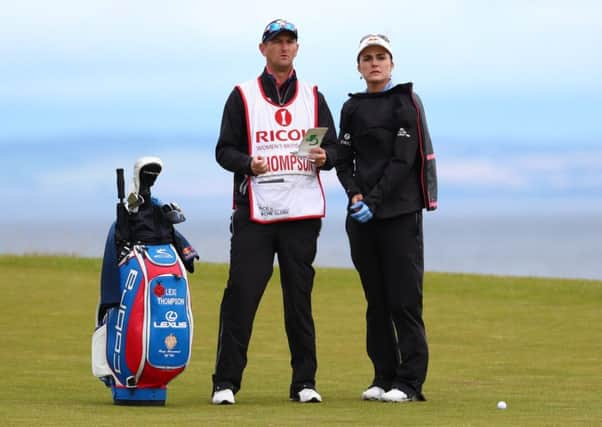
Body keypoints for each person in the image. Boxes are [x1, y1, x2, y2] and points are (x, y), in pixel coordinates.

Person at [211, 18, 338, 405]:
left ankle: (304, 383)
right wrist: (248, 164)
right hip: (256, 212)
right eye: (276, 42)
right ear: (262, 48)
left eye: (290, 42)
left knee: (298, 300)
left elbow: (336, 150)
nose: (284, 48)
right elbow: (223, 151)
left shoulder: (313, 96)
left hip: (301, 213)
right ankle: (225, 383)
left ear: (297, 49)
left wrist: (325, 155)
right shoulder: (242, 96)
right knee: (242, 296)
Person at [335, 34, 438, 403]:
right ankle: (383, 375)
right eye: (367, 58)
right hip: (363, 218)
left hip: (399, 214)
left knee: (403, 299)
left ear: (391, 64)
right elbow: (344, 160)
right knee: (375, 301)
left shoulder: (405, 103)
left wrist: (373, 201)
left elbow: (402, 160)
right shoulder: (352, 108)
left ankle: (410, 383)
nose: (374, 63)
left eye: (381, 57)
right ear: (359, 66)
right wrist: (354, 194)